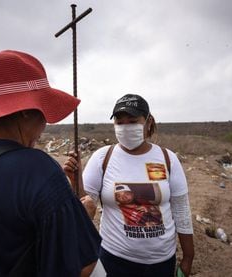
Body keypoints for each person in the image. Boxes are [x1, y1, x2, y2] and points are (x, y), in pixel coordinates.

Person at [0, 50, 100, 277]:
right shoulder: (38, 169)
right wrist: (84, 217)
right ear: (26, 111)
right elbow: (83, 267)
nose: (44, 125)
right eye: (43, 113)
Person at [64, 94, 194, 277]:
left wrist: (188, 257)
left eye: (132, 121)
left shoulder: (168, 159)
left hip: (162, 263)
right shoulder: (102, 158)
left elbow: (181, 210)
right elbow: (85, 207)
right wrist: (75, 181)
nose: (126, 127)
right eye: (120, 122)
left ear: (148, 122)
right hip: (113, 260)